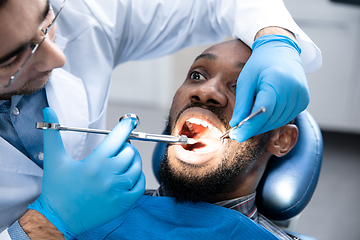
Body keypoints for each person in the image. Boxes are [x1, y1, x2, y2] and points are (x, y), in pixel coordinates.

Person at [0, 0, 321, 238]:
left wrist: (276, 39)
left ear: (282, 139)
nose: (58, 58)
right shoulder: (96, 223)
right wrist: (48, 223)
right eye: (15, 57)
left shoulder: (85, 12)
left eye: (47, 22)